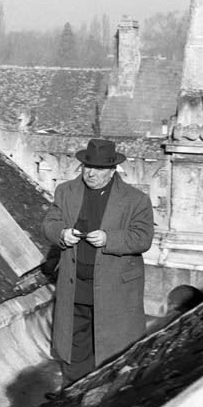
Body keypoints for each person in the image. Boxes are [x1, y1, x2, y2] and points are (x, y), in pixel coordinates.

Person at [42, 138, 154, 393]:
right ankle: (71, 394)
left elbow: (143, 238)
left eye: (99, 169)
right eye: (86, 166)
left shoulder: (136, 200)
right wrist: (61, 233)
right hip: (75, 285)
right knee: (74, 344)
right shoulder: (66, 191)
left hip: (114, 288)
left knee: (110, 345)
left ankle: (106, 392)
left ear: (113, 170)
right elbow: (50, 222)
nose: (91, 173)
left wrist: (109, 238)